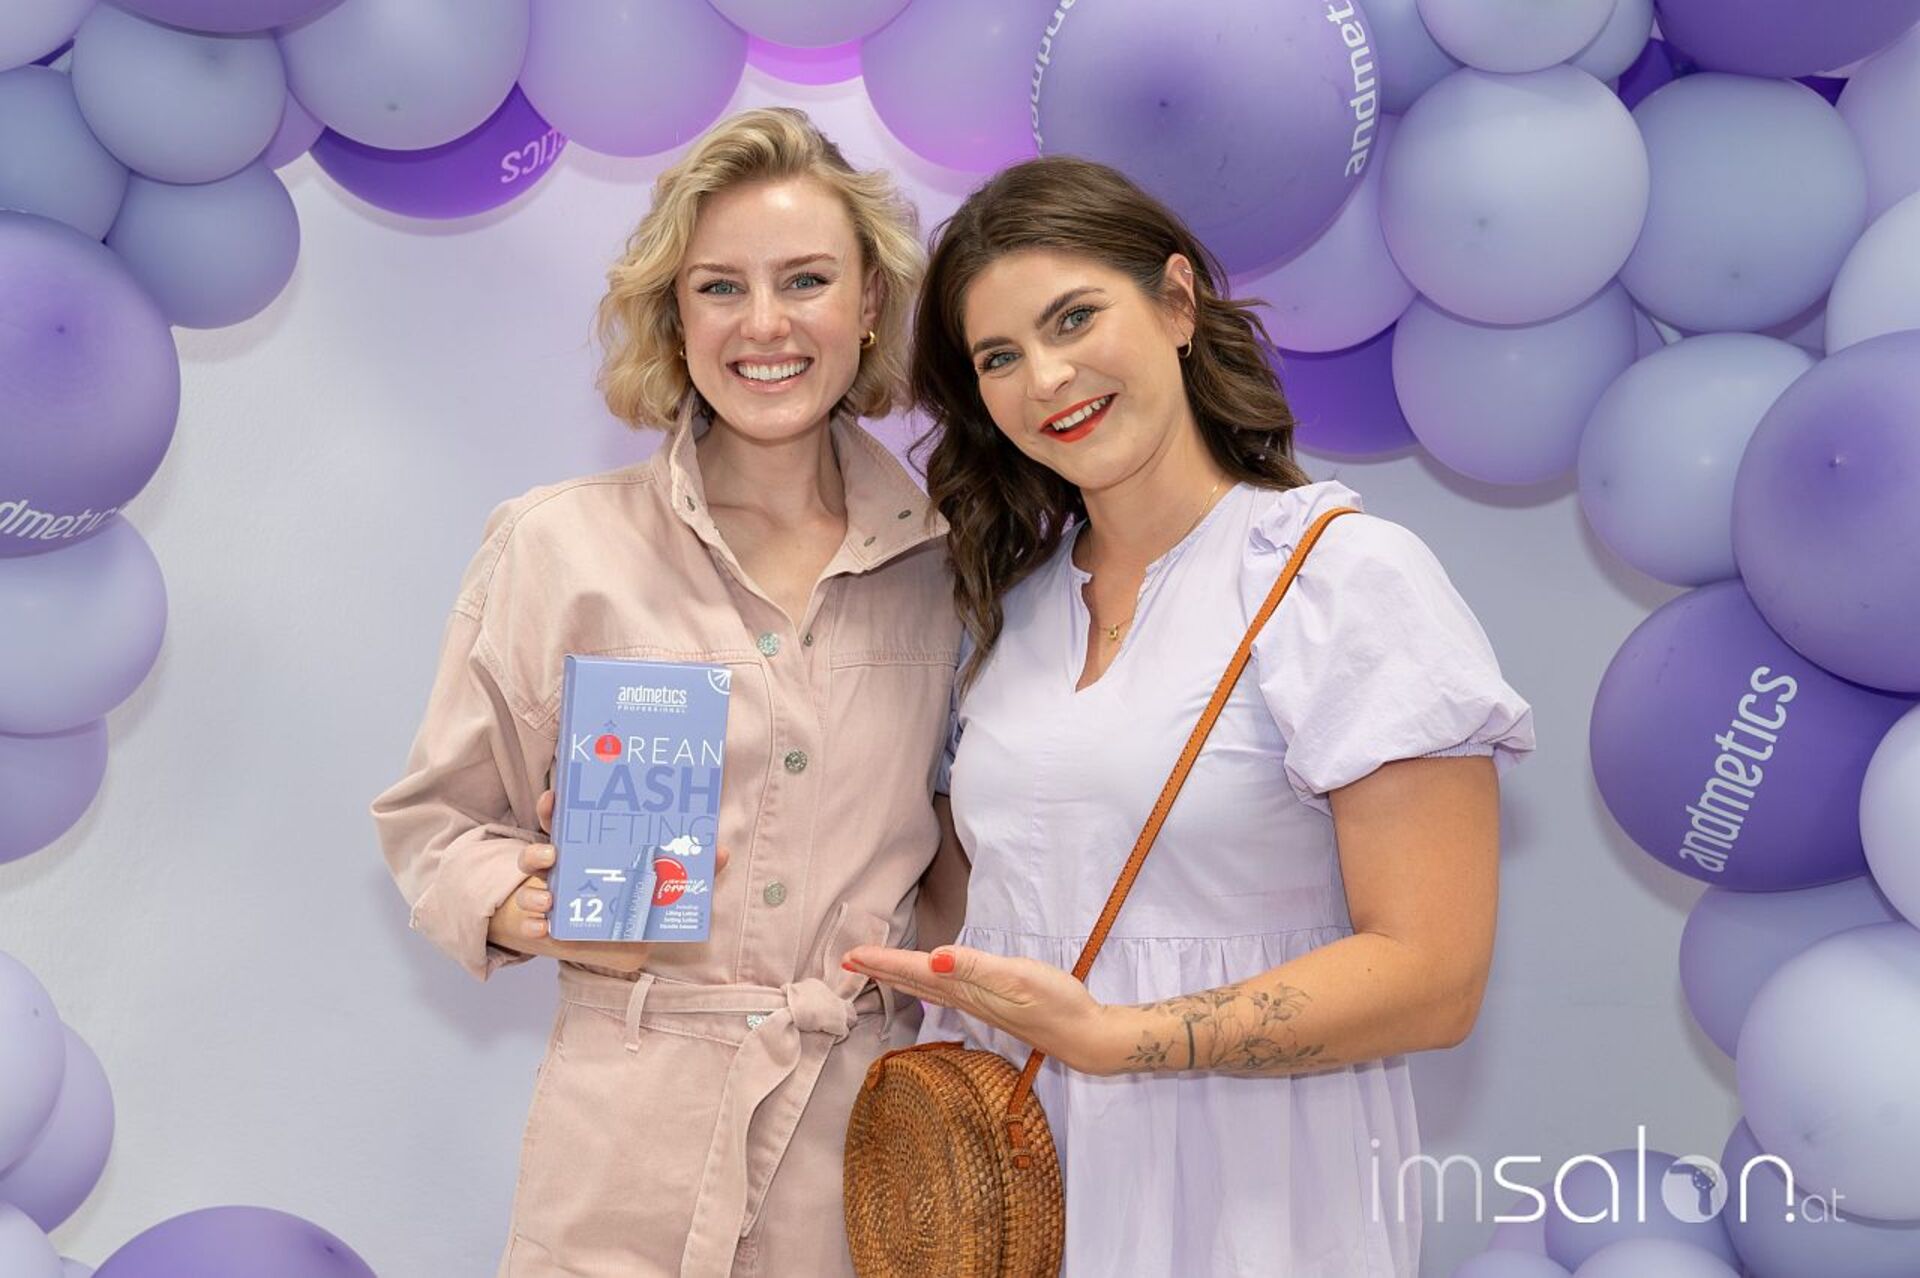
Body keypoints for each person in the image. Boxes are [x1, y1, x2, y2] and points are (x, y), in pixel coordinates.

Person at [842, 156, 1536, 1277]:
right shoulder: (1009, 610)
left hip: (1251, 1190)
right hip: (1019, 1191)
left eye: (1075, 318)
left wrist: (1121, 1040)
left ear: (1175, 303)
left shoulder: (1338, 578)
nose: (1046, 379)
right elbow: (985, 902)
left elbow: (1433, 977)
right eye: (999, 357)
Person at [372, 107, 966, 1278]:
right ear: (673, 315)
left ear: (868, 303)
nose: (765, 324)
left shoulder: (949, 566)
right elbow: (436, 826)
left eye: (806, 280)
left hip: (869, 1159)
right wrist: (521, 904)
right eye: (720, 288)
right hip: (623, 1154)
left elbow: (972, 850)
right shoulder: (556, 546)